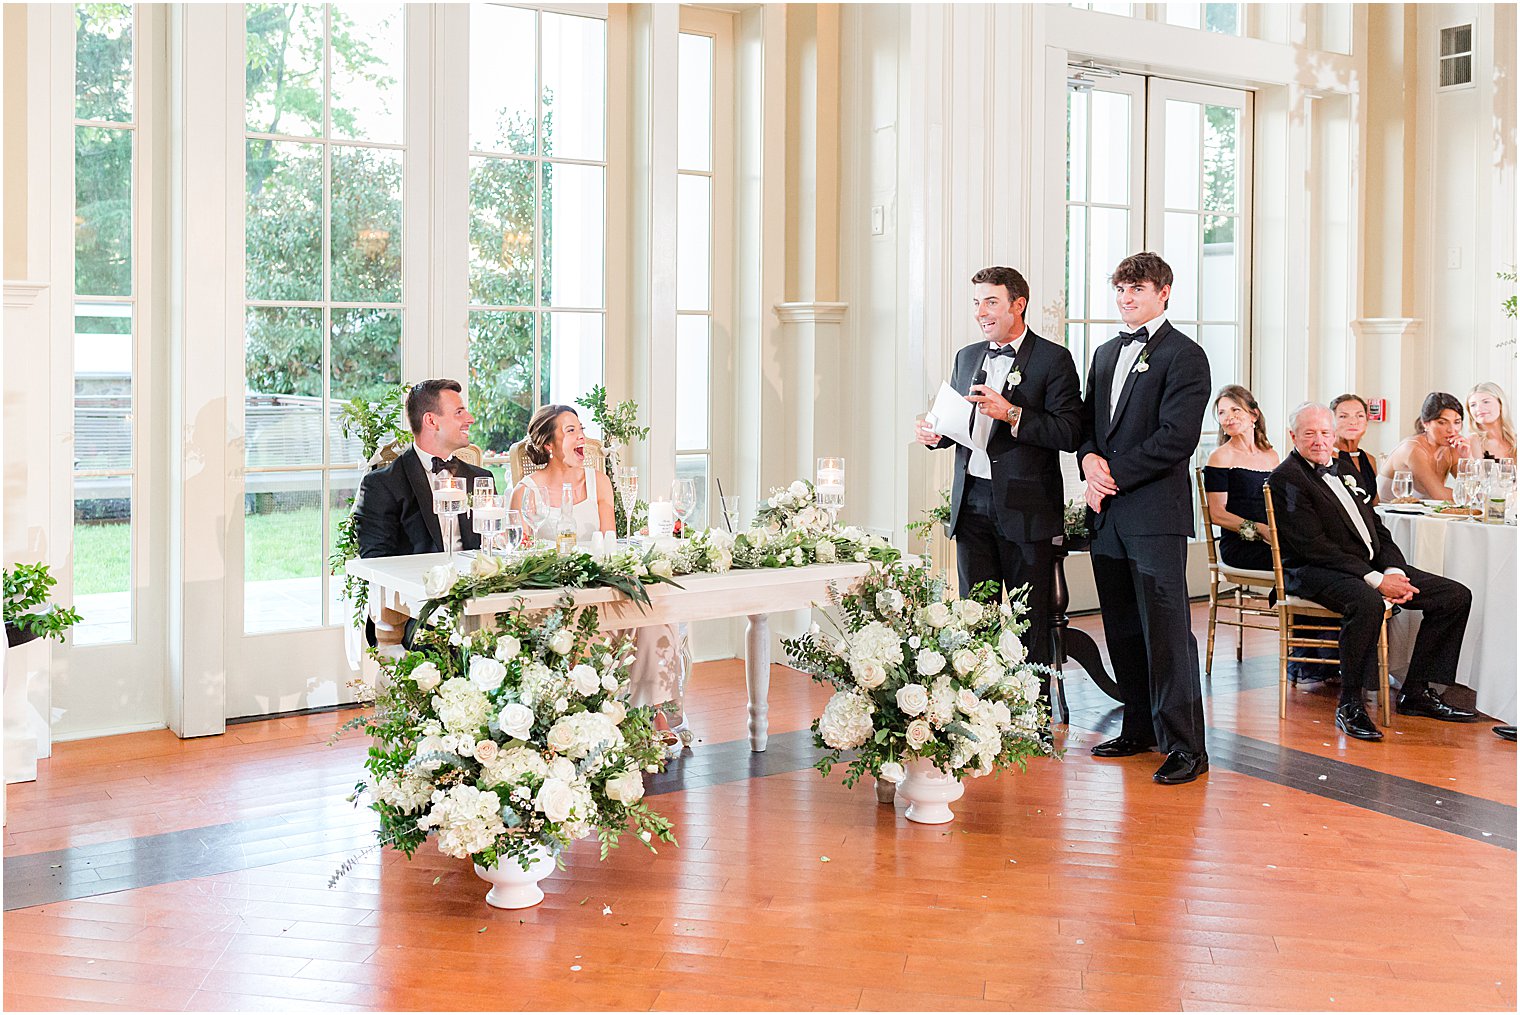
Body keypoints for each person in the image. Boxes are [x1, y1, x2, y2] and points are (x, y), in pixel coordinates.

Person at [1077, 252, 1212, 785]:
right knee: (1123, 628)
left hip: (1154, 514)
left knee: (1168, 633)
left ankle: (1185, 746)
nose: (1126, 299)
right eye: (1120, 290)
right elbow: (1089, 426)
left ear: (1165, 292)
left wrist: (1111, 473)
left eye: (1136, 289)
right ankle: (1139, 727)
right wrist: (1089, 460)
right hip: (1107, 513)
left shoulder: (1186, 355)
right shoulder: (1106, 352)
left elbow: (1177, 438)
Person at [913, 265, 1083, 687]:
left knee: (1030, 620)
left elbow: (1070, 431)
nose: (981, 312)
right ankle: (985, 710)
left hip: (1026, 510)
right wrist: (934, 434)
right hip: (971, 504)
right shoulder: (967, 357)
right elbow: (959, 428)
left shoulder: (1052, 359)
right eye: (976, 303)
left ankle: (1033, 715)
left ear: (1018, 305)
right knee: (977, 615)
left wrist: (1011, 413)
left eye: (991, 302)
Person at [1267, 403, 1476, 740]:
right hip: (1314, 570)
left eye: (1324, 433)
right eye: (1309, 434)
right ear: (1293, 436)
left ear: (1333, 435)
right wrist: (1378, 582)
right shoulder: (1285, 478)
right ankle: (1349, 703)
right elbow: (1313, 547)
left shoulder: (1344, 468)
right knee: (1367, 603)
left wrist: (1393, 569)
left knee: (1454, 596)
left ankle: (1417, 691)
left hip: (1366, 566)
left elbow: (1377, 528)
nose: (1319, 440)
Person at [513, 404, 690, 756]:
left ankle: (653, 714)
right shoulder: (526, 490)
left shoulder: (600, 482)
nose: (583, 437)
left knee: (654, 616)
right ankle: (602, 717)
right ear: (549, 445)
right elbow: (520, 554)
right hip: (557, 597)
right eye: (571, 431)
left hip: (603, 588)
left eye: (581, 428)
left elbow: (609, 543)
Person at [353, 379, 494, 646]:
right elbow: (377, 563)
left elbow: (491, 547)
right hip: (414, 614)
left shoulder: (480, 479)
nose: (470, 419)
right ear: (432, 421)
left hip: (479, 605)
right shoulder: (383, 484)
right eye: (459, 412)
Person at [1202, 385, 1279, 572]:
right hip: (1241, 546)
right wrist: (1259, 530)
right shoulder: (1220, 457)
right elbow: (1217, 514)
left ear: (1254, 415)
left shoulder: (1272, 455)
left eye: (1235, 409)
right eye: (1222, 413)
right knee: (1297, 562)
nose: (1228, 417)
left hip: (1274, 539)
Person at [1377, 392, 1472, 501]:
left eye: (1457, 422)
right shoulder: (1413, 449)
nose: (1451, 429)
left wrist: (1467, 458)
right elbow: (1440, 496)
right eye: (1442, 422)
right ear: (1425, 423)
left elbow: (1473, 490)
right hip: (1388, 515)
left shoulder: (1452, 449)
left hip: (1424, 515)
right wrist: (1470, 497)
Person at [1331, 393, 1378, 505]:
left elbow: (1374, 503)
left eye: (1360, 416)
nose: (1353, 421)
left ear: (1366, 422)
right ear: (1331, 422)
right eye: (1343, 416)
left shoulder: (1369, 459)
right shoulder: (1327, 458)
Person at [1467, 382, 1518, 462]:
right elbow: (1477, 474)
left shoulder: (1515, 440)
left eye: (1486, 402)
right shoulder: (1472, 442)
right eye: (1473, 405)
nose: (1478, 408)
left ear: (1501, 404)